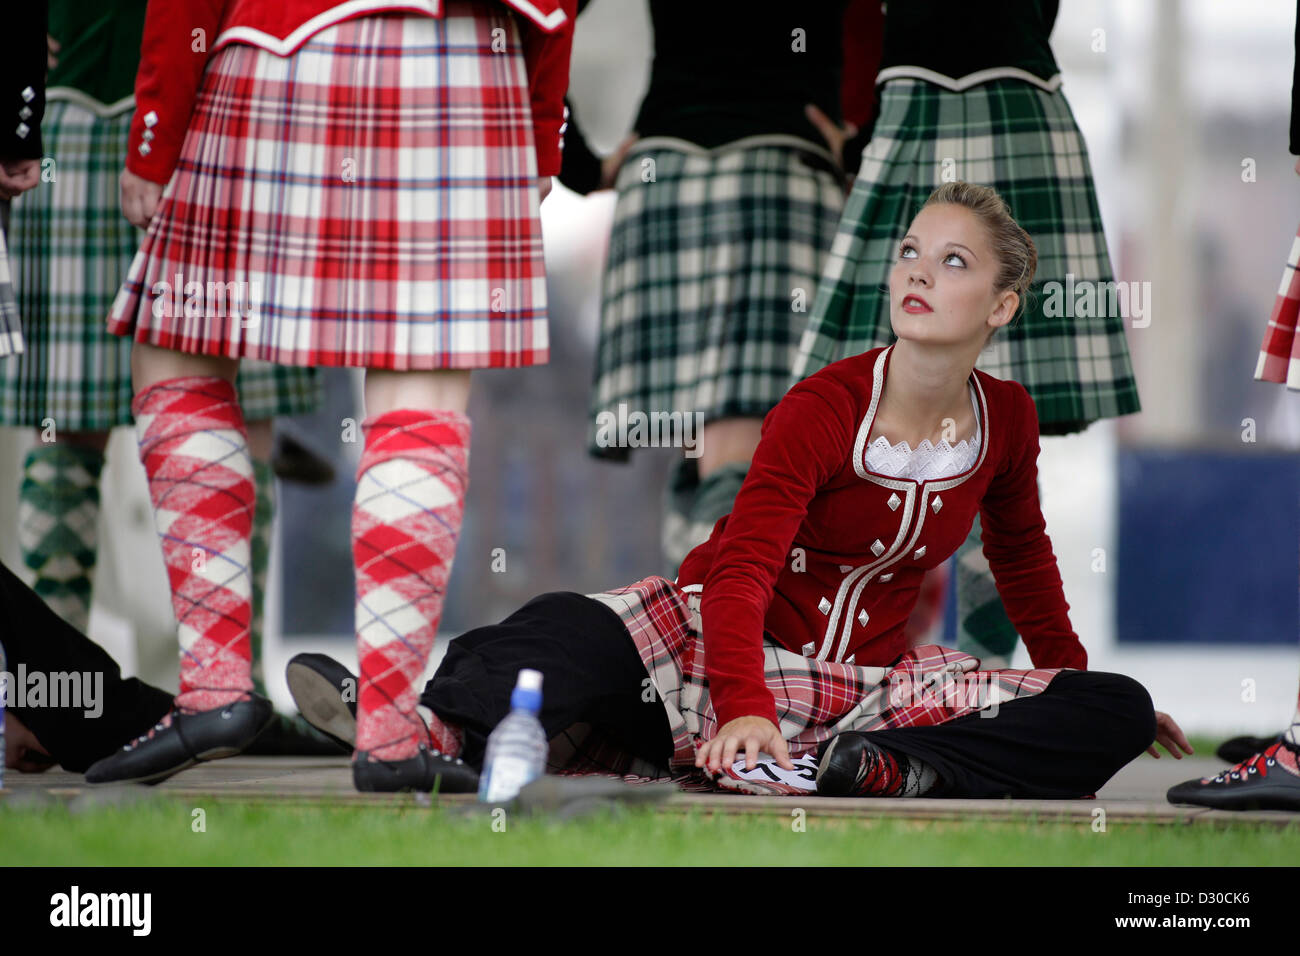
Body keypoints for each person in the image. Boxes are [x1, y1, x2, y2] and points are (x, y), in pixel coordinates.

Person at [290, 182, 1187, 797]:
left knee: (1115, 708)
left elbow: (1024, 560)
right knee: (566, 633)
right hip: (715, 646)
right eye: (911, 251)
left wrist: (1074, 682)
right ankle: (424, 727)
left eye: (953, 263)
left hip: (871, 692)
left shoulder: (1009, 418)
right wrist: (745, 706)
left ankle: (879, 770)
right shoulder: (824, 405)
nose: (916, 271)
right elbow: (743, 565)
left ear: (1001, 306)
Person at [83, 0, 578, 792]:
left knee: (179, 344)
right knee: (420, 387)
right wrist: (542, 115)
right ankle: (386, 733)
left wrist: (156, 129)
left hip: (292, 40)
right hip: (468, 61)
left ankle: (214, 689)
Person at [792, 0, 1142, 668]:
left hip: (933, 101)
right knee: (906, 413)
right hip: (1009, 96)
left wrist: (859, 122)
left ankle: (958, 685)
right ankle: (915, 678)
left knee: (981, 424)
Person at [0, 1, 322, 702]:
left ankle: (237, 689)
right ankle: (54, 693)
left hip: (232, 106)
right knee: (66, 417)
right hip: (91, 109)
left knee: (244, 414)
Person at [577, 0, 879, 573]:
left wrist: (577, 163)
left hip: (663, 174)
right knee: (746, 445)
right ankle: (716, 639)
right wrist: (867, 143)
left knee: (705, 443)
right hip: (777, 171)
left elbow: (540, 16)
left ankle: (699, 626)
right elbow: (923, 23)